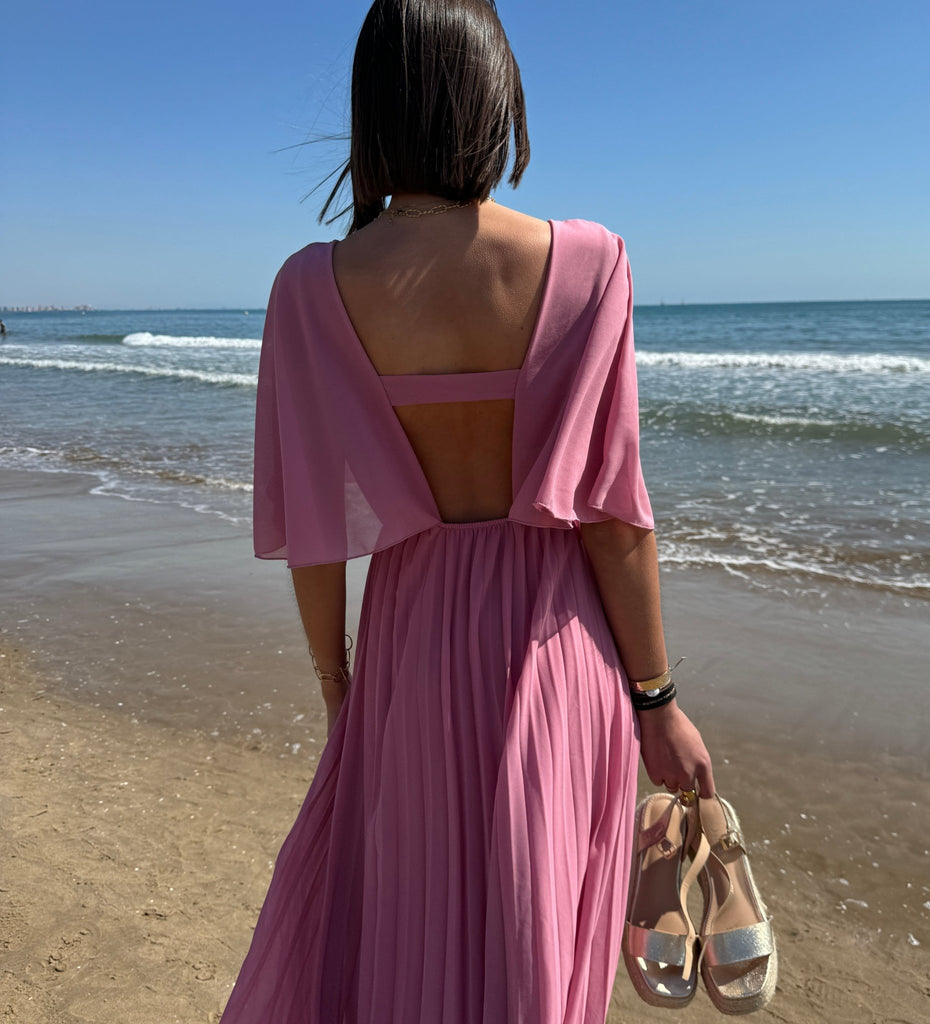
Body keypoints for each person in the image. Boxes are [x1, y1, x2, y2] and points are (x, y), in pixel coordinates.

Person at [222, 1, 714, 1021]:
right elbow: (614, 518)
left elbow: (315, 532)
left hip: (409, 649)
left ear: (372, 108)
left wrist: (339, 687)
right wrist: (657, 699)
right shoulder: (590, 263)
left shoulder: (310, 288)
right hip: (557, 649)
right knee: (536, 950)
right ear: (497, 101)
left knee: (409, 937)